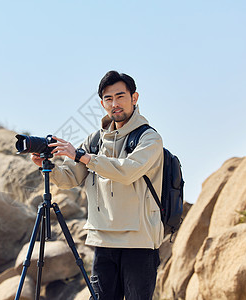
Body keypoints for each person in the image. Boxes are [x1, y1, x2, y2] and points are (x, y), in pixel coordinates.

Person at [31, 70, 163, 300]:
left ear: (135, 97)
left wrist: (82, 156)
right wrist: (47, 167)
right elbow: (70, 178)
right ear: (102, 103)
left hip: (139, 242)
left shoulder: (149, 139)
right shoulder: (94, 141)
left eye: (121, 96)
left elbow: (127, 172)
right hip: (104, 241)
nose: (115, 104)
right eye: (108, 99)